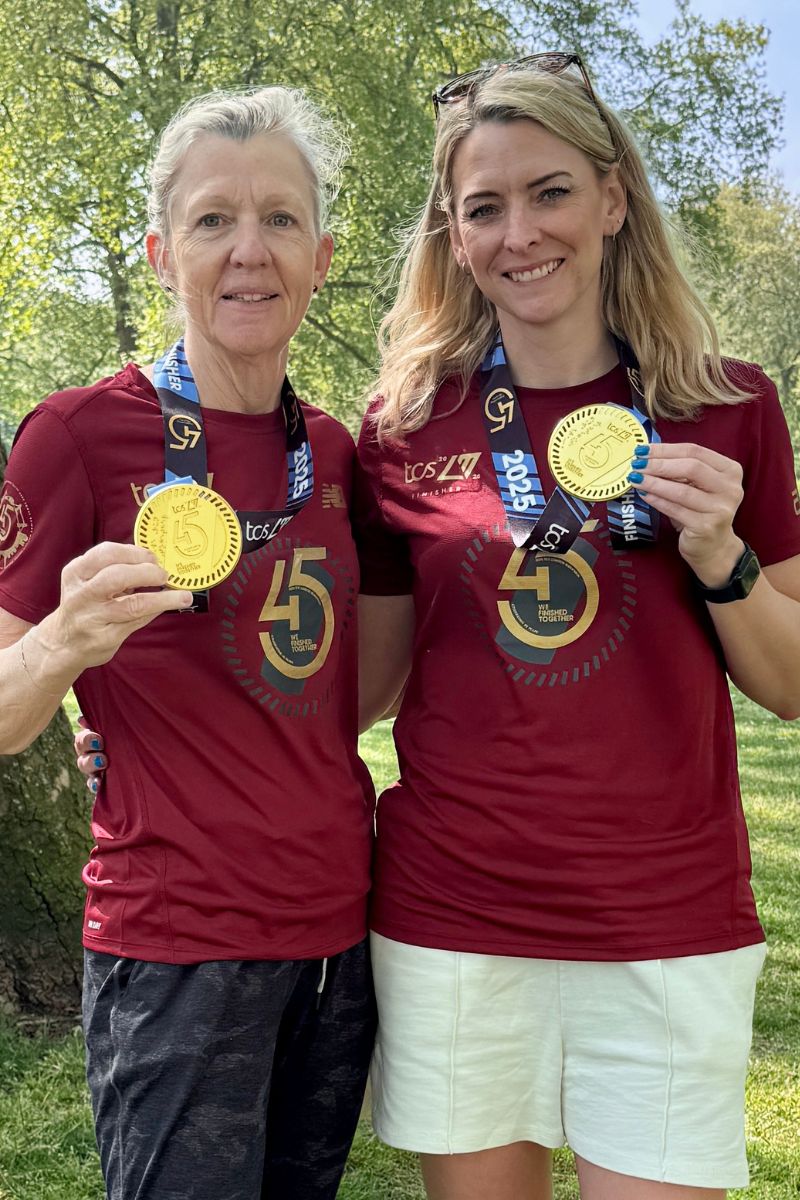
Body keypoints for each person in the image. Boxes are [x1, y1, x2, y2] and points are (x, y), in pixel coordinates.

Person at [351, 54, 800, 1200]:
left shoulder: (728, 402)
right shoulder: (403, 426)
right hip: (454, 912)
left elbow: (790, 684)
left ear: (610, 200)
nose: (519, 233)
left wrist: (719, 556)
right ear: (453, 235)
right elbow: (364, 687)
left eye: (548, 192)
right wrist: (137, 716)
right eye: (482, 208)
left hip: (666, 914)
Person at [0, 87, 376, 1200]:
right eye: (214, 221)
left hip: (337, 940)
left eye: (279, 219)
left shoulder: (341, 456)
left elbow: (346, 694)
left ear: (320, 254)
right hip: (173, 947)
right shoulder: (75, 434)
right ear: (164, 252)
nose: (247, 252)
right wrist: (68, 640)